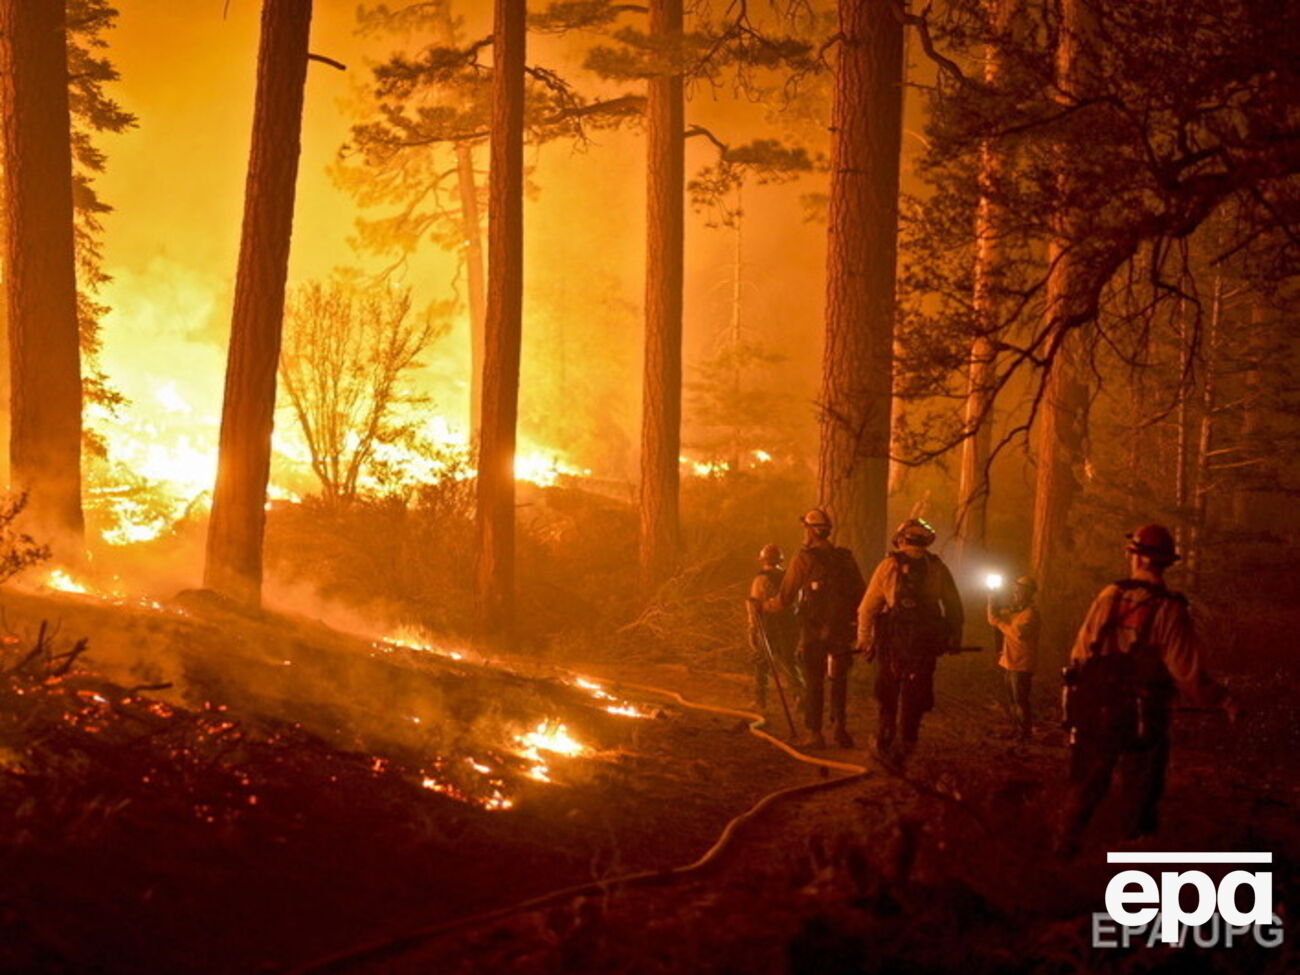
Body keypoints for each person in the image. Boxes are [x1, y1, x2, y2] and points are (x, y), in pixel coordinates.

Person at [1056, 524, 1238, 857]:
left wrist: (1076, 701)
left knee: (1084, 788)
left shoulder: (1110, 595)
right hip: (1143, 714)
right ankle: (1130, 866)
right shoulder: (1171, 609)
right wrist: (1222, 699)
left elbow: (1080, 654)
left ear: (1135, 557)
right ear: (1166, 563)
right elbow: (1187, 673)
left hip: (1095, 706)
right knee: (1140, 793)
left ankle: (1063, 855)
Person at [857, 518, 964, 762]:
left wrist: (864, 639)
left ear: (901, 539)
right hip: (926, 640)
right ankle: (909, 741)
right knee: (917, 688)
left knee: (888, 689)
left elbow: (867, 608)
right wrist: (953, 637)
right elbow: (954, 606)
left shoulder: (888, 565)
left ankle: (884, 736)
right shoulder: (937, 566)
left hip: (892, 640)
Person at [764, 509, 866, 748]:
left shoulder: (804, 558)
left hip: (815, 630)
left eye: (806, 529)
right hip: (842, 630)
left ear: (811, 531)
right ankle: (840, 728)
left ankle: (814, 733)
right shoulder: (845, 558)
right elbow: (861, 593)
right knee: (839, 679)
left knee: (814, 680)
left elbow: (785, 597)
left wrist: (763, 606)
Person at [746, 544, 803, 713]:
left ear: (763, 560)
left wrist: (752, 629)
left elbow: (754, 606)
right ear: (780, 560)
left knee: (762, 662)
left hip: (769, 626)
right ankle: (799, 696)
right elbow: (797, 602)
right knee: (789, 661)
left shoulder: (760, 580)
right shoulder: (790, 578)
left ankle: (760, 701)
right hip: (789, 625)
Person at [989, 575, 1041, 741]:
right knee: (1013, 700)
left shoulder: (1030, 615)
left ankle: (1024, 732)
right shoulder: (1016, 612)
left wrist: (1000, 623)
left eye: (1020, 590)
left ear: (1028, 593)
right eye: (1016, 589)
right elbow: (993, 620)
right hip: (1010, 662)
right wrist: (991, 600)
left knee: (1020, 700)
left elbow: (1018, 634)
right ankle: (1016, 729)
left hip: (1022, 664)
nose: (1016, 593)